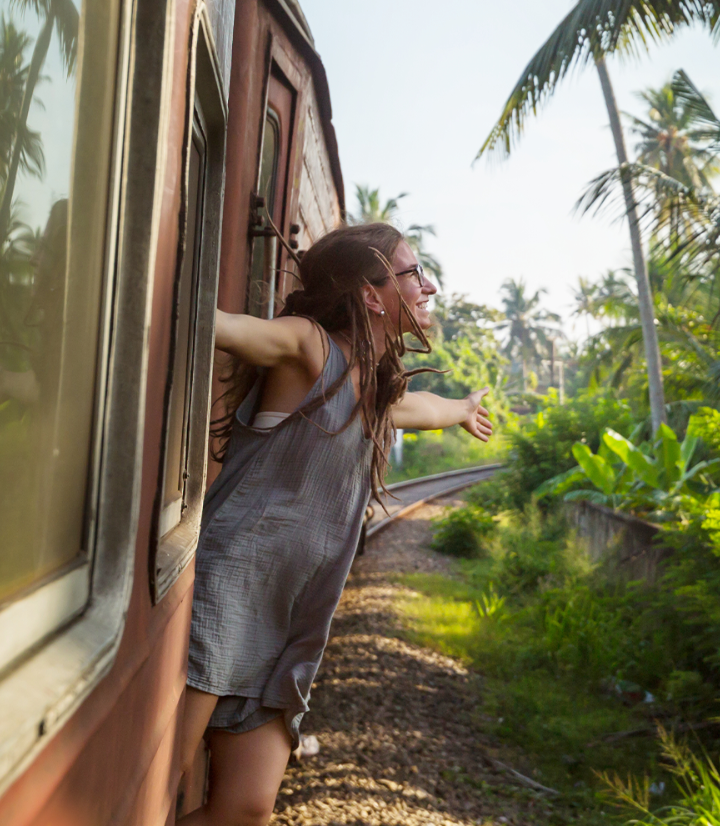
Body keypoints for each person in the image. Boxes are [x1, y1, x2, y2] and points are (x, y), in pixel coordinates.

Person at [176, 223, 493, 825]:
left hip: (289, 619)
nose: (427, 287)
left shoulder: (374, 387)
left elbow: (422, 408)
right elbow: (232, 330)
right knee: (152, 783)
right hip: (226, 595)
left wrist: (462, 411)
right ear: (373, 295)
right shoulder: (308, 346)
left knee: (244, 811)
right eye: (413, 273)